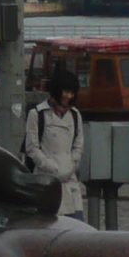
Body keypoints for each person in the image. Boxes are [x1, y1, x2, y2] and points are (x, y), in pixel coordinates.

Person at [22, 64, 86, 219]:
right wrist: (51, 167)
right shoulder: (37, 114)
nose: (68, 96)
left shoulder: (75, 115)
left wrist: (72, 164)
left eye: (72, 93)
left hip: (70, 181)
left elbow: (78, 144)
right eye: (65, 92)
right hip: (46, 179)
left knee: (77, 224)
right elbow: (32, 148)